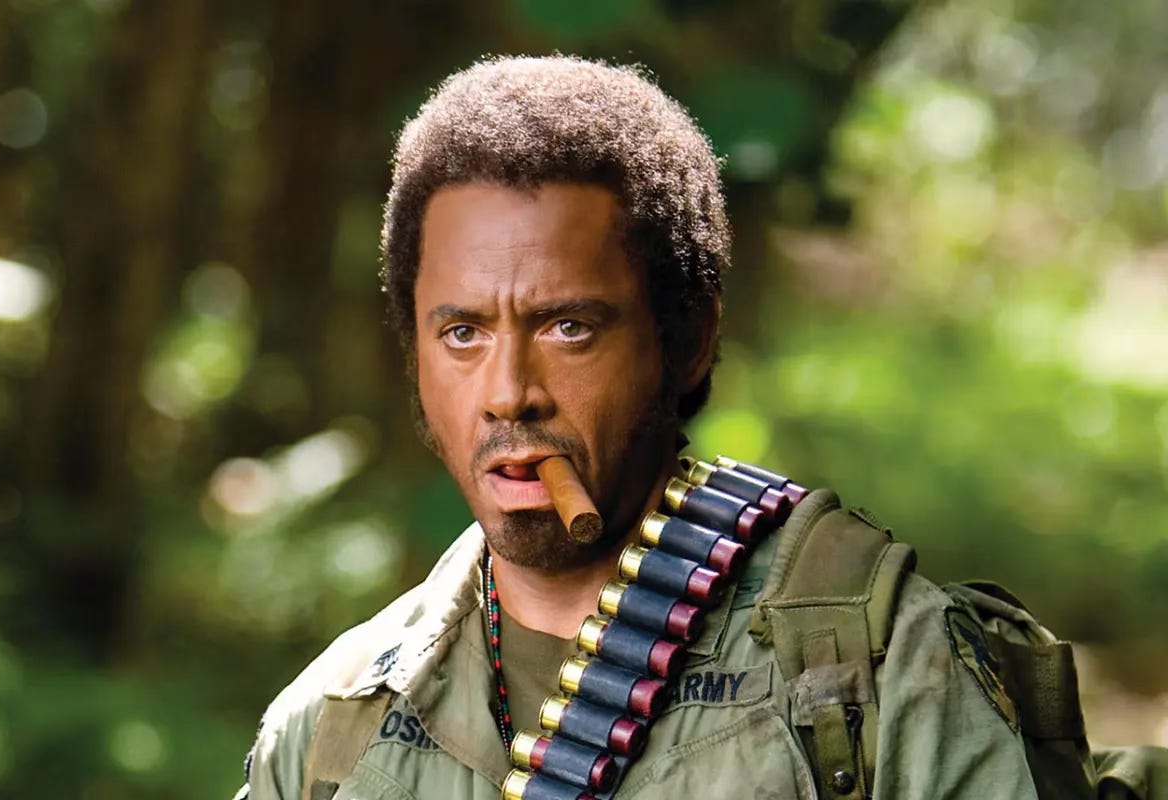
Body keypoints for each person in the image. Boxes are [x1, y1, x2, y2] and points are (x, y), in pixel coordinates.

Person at [235, 55, 1040, 800]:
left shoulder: (880, 670)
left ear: (687, 342)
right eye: (463, 333)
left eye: (569, 328)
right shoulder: (333, 725)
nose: (509, 394)